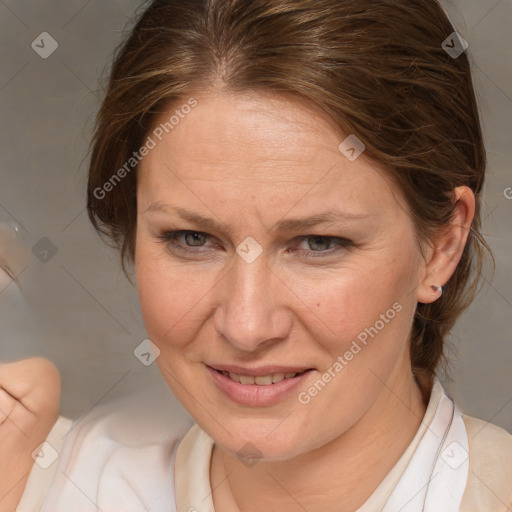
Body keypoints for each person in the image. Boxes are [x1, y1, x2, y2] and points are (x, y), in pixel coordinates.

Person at [1, 0, 511, 510]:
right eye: (192, 238)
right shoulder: (47, 484)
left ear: (442, 246)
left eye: (318, 243)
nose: (246, 326)